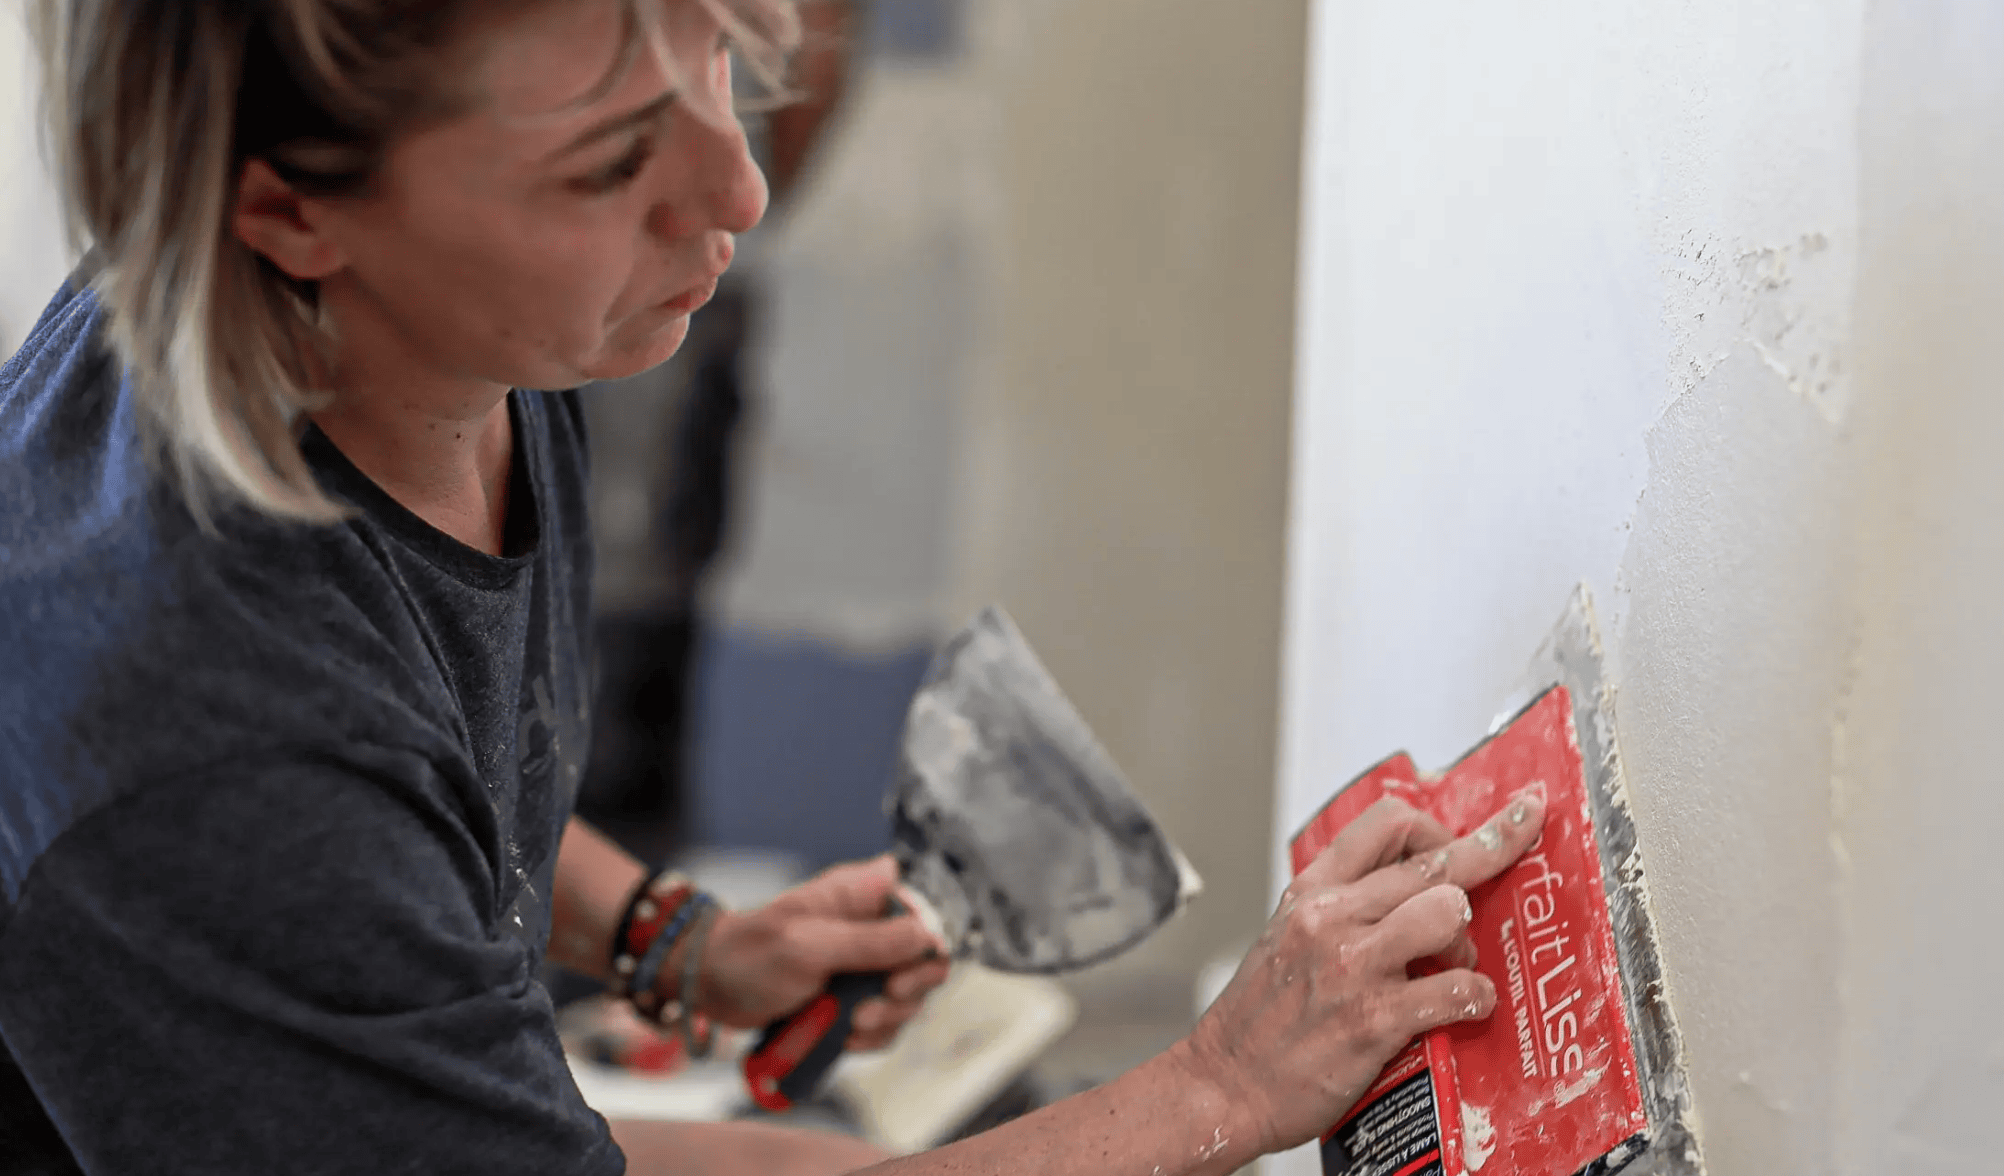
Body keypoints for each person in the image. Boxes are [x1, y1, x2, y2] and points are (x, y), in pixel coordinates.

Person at [0, 2, 1549, 1175]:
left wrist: (670, 940)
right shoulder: (195, 734)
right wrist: (1214, 1088)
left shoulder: (416, 331)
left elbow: (424, 774)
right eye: (611, 161)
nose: (732, 187)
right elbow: (314, 795)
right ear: (285, 206)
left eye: (715, 52)